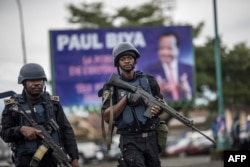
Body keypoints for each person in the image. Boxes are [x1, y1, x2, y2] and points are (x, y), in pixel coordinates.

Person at [0, 63, 79, 167]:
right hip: (25, 161)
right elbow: (5, 134)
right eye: (32, 81)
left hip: (50, 160)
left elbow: (66, 130)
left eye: (40, 80)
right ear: (23, 83)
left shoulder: (53, 104)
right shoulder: (14, 106)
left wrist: (74, 157)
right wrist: (21, 130)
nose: (37, 83)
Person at [100, 42, 164, 167]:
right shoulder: (111, 86)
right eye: (123, 59)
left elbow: (161, 103)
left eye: (130, 58)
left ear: (135, 61)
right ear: (118, 63)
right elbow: (107, 117)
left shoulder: (149, 81)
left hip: (151, 137)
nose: (127, 61)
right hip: (130, 139)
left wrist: (158, 110)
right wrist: (125, 99)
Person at [143, 32, 193, 101]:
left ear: (178, 50)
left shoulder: (190, 70)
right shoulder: (148, 71)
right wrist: (157, 92)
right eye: (162, 48)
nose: (165, 52)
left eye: (169, 48)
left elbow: (194, 100)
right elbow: (145, 99)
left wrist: (187, 92)